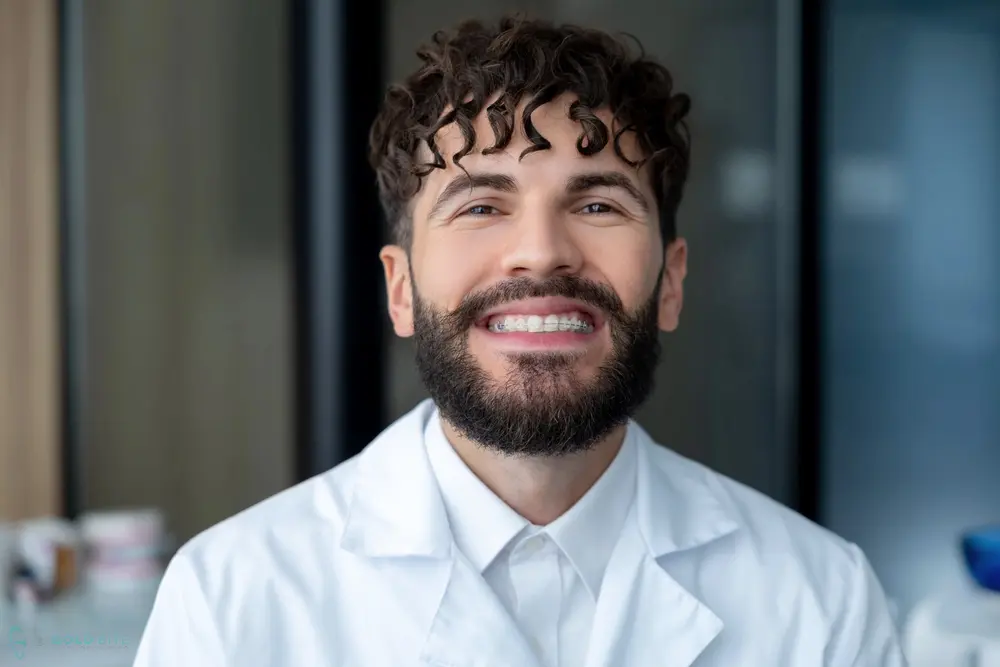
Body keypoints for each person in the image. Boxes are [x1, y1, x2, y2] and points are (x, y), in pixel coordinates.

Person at [134, 15, 907, 667]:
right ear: (400, 289)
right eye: (480, 206)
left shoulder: (822, 601)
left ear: (671, 281)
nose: (540, 253)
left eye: (598, 205)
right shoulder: (229, 603)